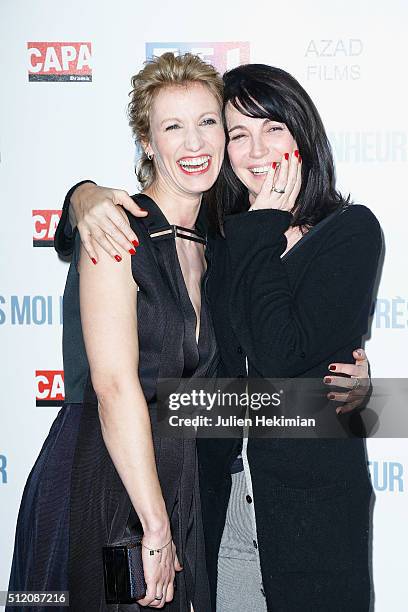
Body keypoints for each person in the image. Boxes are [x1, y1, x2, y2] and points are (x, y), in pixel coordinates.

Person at [53, 59, 376, 611]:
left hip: (265, 501)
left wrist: (362, 391)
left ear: (304, 135)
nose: (255, 151)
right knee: (117, 600)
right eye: (239, 134)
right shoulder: (209, 235)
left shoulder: (328, 232)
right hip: (155, 492)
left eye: (273, 128)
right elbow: (123, 383)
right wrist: (83, 195)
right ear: (148, 142)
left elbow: (274, 361)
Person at [6, 52, 227, 611]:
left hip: (176, 480)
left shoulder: (215, 243)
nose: (194, 142)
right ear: (147, 142)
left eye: (207, 121)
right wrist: (154, 526)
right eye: (172, 126)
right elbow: (114, 385)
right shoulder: (113, 226)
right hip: (106, 478)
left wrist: (349, 395)